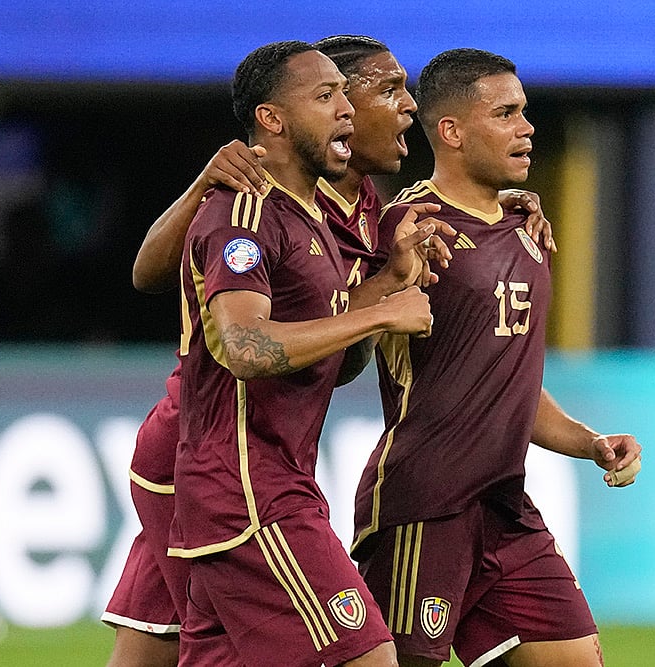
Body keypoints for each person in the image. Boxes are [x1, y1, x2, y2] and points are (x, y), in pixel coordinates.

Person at [102, 35, 552, 667]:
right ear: (294, 114)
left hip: (264, 456)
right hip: (203, 459)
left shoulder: (363, 210)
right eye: (385, 91)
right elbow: (159, 279)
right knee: (346, 654)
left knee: (183, 649)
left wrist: (497, 213)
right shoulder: (254, 195)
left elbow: (342, 349)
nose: (406, 109)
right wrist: (383, 307)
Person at [350, 48, 642, 667]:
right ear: (451, 132)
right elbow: (345, 325)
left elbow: (511, 386)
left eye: (525, 112)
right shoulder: (412, 226)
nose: (526, 128)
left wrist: (591, 443)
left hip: (505, 507)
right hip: (425, 505)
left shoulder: (526, 232)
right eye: (505, 113)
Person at [167, 40, 446, 667]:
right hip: (247, 492)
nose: (346, 110)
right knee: (368, 657)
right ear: (272, 119)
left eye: (345, 95)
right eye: (325, 97)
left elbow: (337, 364)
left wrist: (386, 282)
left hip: (273, 482)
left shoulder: (316, 219)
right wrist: (380, 313)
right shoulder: (245, 210)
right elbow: (241, 345)